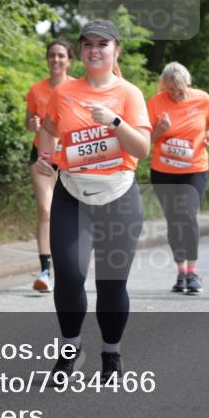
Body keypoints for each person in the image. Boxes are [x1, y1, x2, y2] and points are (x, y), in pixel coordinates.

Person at [34, 20, 151, 381]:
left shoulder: (129, 94)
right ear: (81, 51)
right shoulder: (64, 92)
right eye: (88, 44)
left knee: (111, 284)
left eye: (103, 44)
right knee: (69, 275)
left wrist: (115, 121)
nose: (95, 50)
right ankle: (70, 351)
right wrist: (46, 156)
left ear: (116, 51)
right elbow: (48, 129)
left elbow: (142, 149)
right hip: (72, 193)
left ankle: (111, 354)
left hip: (118, 195)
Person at [148, 63, 209, 295]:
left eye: (179, 89)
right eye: (170, 90)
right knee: (174, 219)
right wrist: (160, 129)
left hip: (194, 169)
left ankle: (193, 271)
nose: (175, 94)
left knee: (187, 215)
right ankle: (180, 272)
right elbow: (145, 139)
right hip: (163, 170)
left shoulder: (202, 98)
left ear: (188, 83)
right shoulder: (156, 102)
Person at [25, 38, 74, 293]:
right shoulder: (36, 90)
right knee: (46, 210)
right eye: (52, 55)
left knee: (70, 214)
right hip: (43, 155)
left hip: (72, 157)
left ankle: (70, 264)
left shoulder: (77, 89)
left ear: (69, 60)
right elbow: (29, 121)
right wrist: (32, 125)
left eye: (61, 56)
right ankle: (45, 270)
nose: (56, 60)